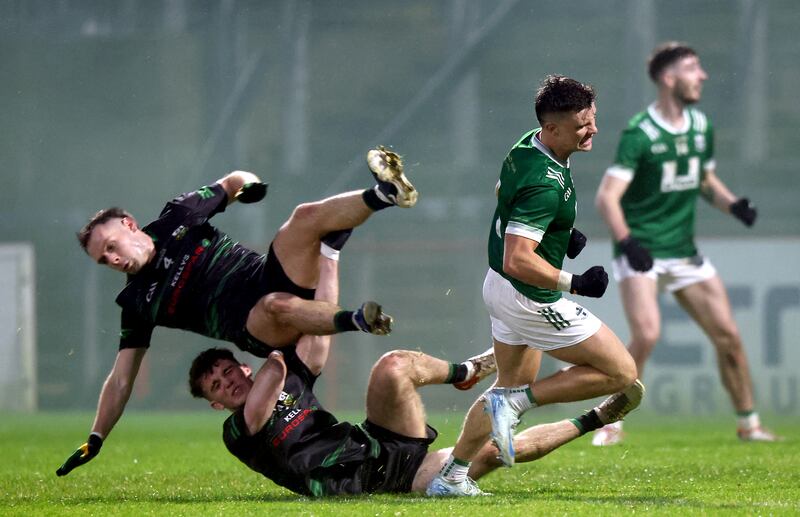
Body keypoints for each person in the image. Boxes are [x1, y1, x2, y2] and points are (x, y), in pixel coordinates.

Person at [56, 146, 417, 476]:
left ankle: (385, 194)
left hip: (269, 276)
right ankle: (356, 319)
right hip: (256, 326)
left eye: (111, 247)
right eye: (104, 259)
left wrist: (250, 185)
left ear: (129, 225)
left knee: (303, 217)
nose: (112, 259)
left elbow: (233, 181)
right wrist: (97, 435)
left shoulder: (177, 215)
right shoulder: (136, 301)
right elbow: (121, 379)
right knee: (274, 307)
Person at [187, 250, 643, 497]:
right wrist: (269, 328)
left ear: (239, 365)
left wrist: (330, 250)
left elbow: (321, 325)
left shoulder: (282, 367)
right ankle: (598, 417)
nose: (227, 382)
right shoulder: (238, 427)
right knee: (491, 451)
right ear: (216, 404)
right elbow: (266, 388)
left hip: (377, 444)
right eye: (218, 386)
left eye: (227, 371)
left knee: (393, 366)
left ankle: (466, 370)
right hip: (372, 482)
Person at [426, 75, 643, 497]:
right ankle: (516, 405)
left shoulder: (528, 143)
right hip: (528, 294)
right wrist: (574, 282)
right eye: (583, 125)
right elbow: (519, 258)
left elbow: (504, 191)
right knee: (621, 372)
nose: (593, 129)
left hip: (500, 288)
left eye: (593, 119)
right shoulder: (545, 183)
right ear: (554, 128)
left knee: (505, 387)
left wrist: (561, 229)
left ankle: (451, 476)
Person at [592, 42, 778, 445]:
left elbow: (704, 181)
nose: (703, 76)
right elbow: (607, 197)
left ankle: (750, 425)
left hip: (683, 252)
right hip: (642, 251)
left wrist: (734, 206)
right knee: (648, 335)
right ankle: (609, 422)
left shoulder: (700, 126)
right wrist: (627, 242)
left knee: (729, 335)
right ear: (667, 78)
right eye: (693, 68)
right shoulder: (639, 133)